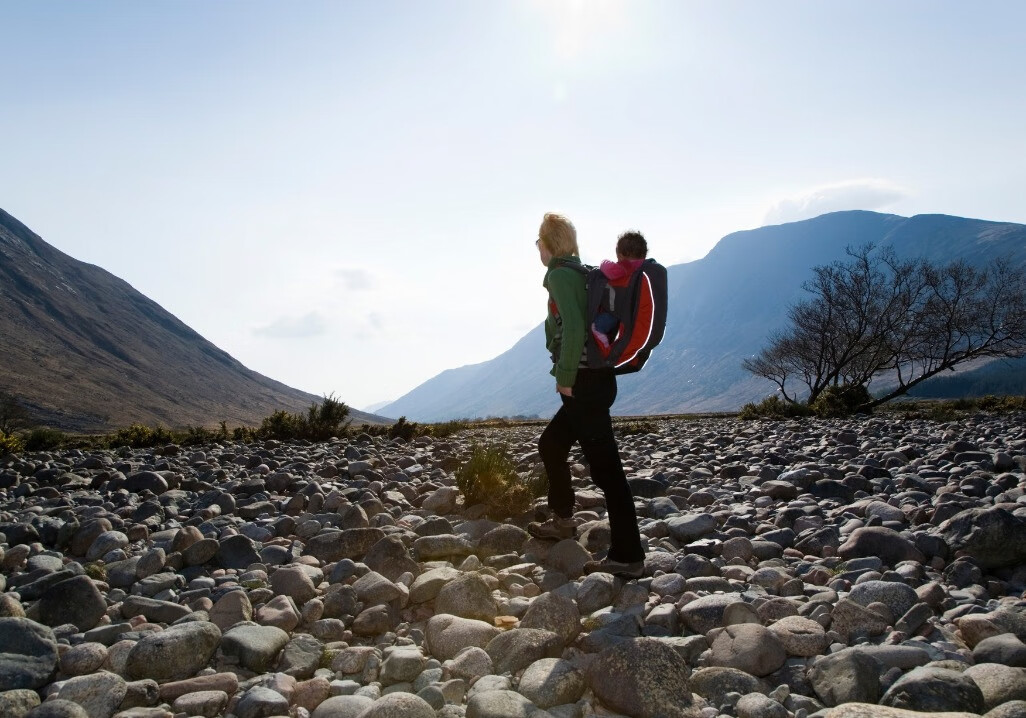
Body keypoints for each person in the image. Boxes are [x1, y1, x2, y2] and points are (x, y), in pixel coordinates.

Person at [527, 213, 646, 579]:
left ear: (547, 244)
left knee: (607, 470)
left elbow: (576, 326)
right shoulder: (582, 272)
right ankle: (563, 520)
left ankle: (628, 555)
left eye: (538, 242)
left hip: (583, 384)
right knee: (551, 445)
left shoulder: (561, 275)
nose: (536, 249)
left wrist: (564, 377)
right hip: (596, 380)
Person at [591, 231, 648, 350]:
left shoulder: (624, 268)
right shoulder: (643, 269)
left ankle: (605, 350)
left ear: (620, 255)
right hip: (634, 312)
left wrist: (603, 263)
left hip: (615, 313)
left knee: (596, 327)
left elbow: (606, 268)